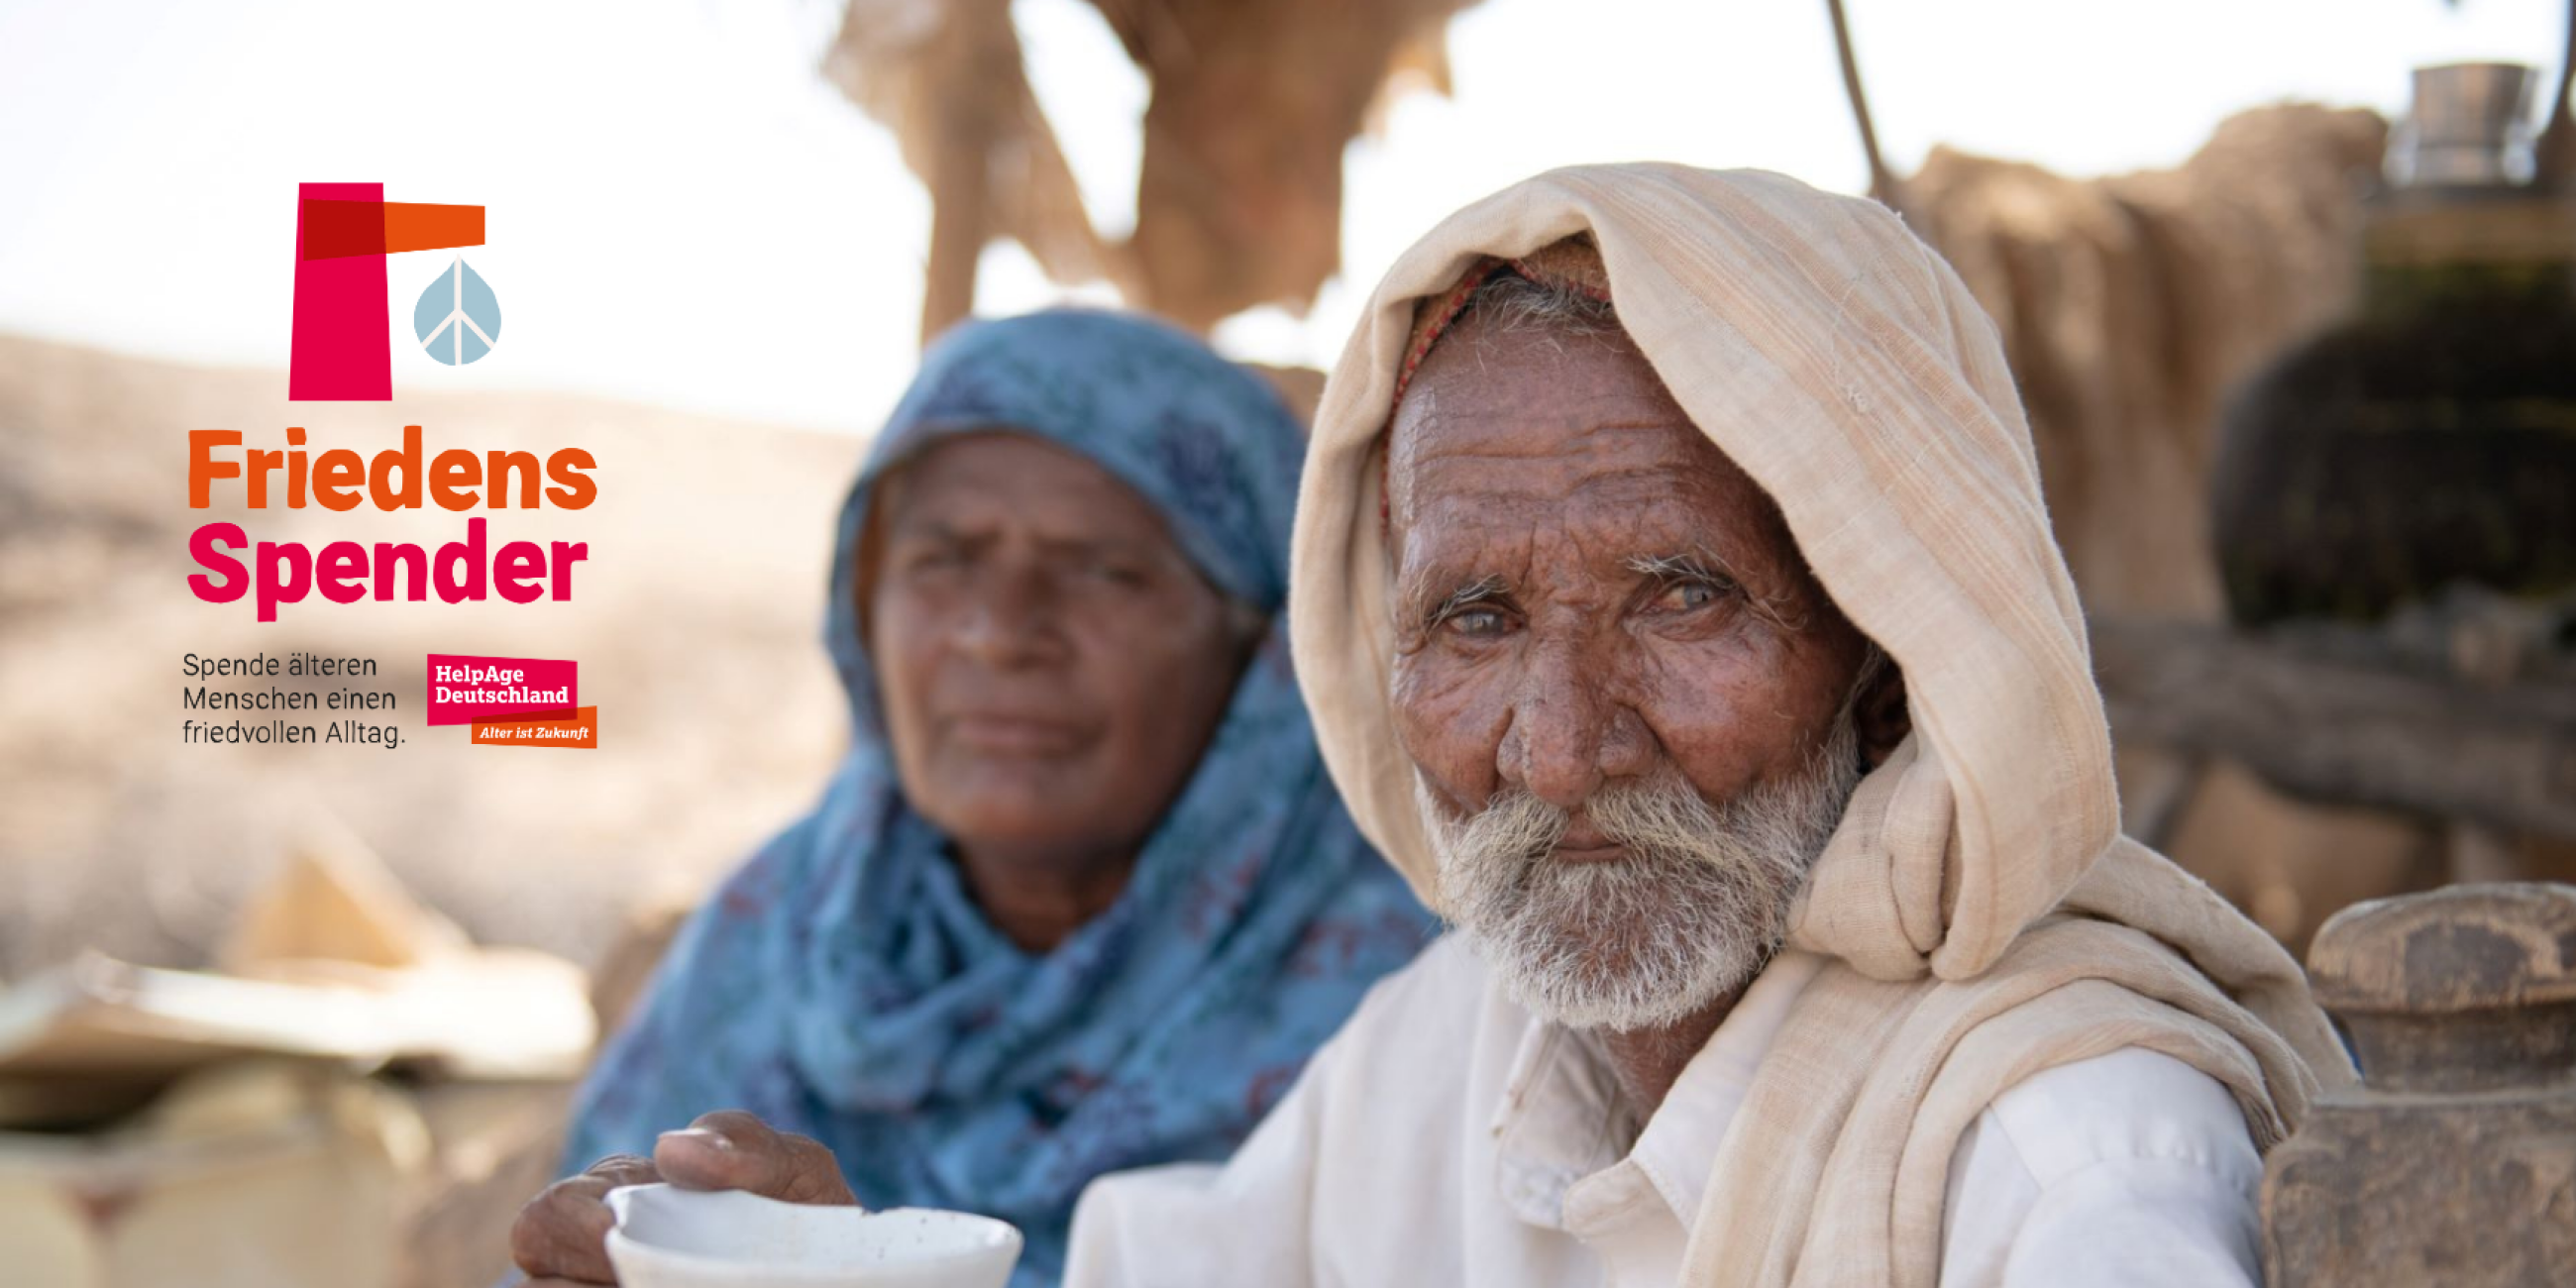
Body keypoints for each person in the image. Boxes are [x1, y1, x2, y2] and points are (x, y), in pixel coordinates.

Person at [524, 166, 2353, 1287]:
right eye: (1473, 619)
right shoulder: (1459, 1044)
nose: (1558, 747)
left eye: (1680, 598)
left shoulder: (2066, 1159)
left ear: (1885, 645)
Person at [506, 308, 1434, 1288]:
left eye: (1101, 570)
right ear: (862, 608)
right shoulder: (781, 929)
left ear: (1265, 647)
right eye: (942, 560)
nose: (997, 630)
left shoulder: (1417, 1006)